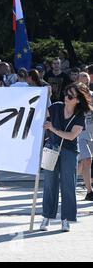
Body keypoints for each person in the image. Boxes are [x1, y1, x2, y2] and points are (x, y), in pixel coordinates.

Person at [40, 82, 92, 232]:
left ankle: (66, 219)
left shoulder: (79, 116)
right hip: (51, 149)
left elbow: (70, 136)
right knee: (49, 183)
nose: (66, 98)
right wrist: (45, 95)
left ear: (77, 100)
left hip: (69, 151)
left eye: (70, 96)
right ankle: (46, 217)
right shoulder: (56, 107)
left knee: (68, 185)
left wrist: (52, 129)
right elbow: (41, 113)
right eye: (65, 94)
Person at [76, 72, 93, 200]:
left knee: (84, 162)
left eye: (86, 78)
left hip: (92, 133)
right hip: (80, 134)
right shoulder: (74, 98)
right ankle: (89, 191)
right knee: (87, 160)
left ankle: (70, 178)